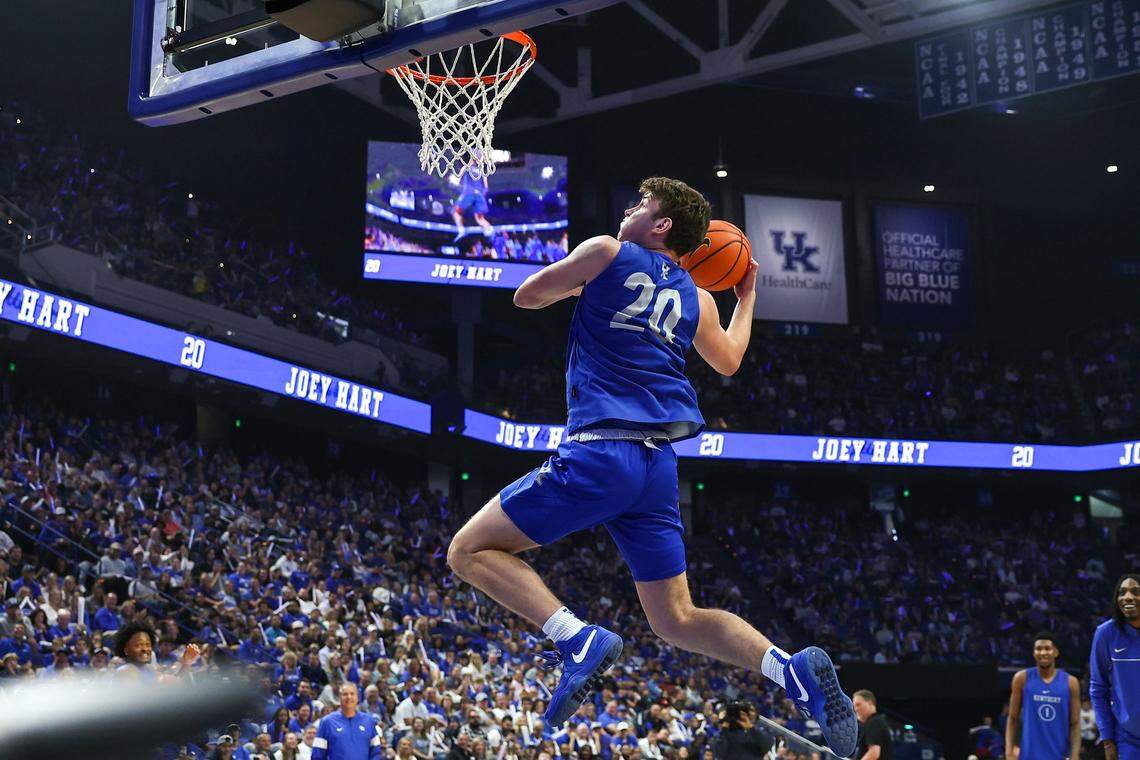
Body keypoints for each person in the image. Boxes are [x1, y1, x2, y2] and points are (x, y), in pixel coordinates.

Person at [446, 176, 857, 758]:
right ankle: (787, 670)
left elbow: (527, 296)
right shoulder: (698, 296)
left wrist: (582, 288)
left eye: (642, 204)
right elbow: (730, 360)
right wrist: (748, 295)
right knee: (676, 619)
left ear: (661, 225)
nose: (629, 209)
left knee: (468, 551)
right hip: (658, 467)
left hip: (601, 450)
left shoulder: (605, 252)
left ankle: (575, 638)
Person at [1006, 632, 1080, 760]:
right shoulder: (1021, 678)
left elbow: (1075, 724)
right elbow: (1012, 719)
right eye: (1038, 649)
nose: (1043, 652)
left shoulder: (1071, 682)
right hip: (1028, 755)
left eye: (1047, 648)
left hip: (1059, 755)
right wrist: (1009, 753)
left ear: (1056, 652)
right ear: (1034, 653)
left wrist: (1075, 756)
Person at [1091, 574, 1140, 760]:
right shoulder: (1105, 634)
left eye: (1136, 592)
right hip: (1127, 740)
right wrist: (1107, 740)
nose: (1127, 597)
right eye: (1122, 593)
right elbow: (1098, 688)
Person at [312, 682, 383, 760]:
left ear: (357, 698)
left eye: (352, 694)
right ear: (339, 698)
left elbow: (375, 751)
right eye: (345, 694)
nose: (349, 697)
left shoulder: (369, 721)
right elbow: (317, 754)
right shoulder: (327, 722)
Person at [451, 169, 494, 242]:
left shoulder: (466, 167)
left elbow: (457, 181)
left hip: (469, 192)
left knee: (456, 212)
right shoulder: (482, 170)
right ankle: (490, 231)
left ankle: (461, 231)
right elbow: (486, 187)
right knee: (479, 218)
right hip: (480, 194)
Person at [853, 690, 892, 760]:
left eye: (858, 704)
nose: (855, 709)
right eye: (854, 706)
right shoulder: (874, 722)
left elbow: (874, 753)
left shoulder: (875, 722)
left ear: (870, 703)